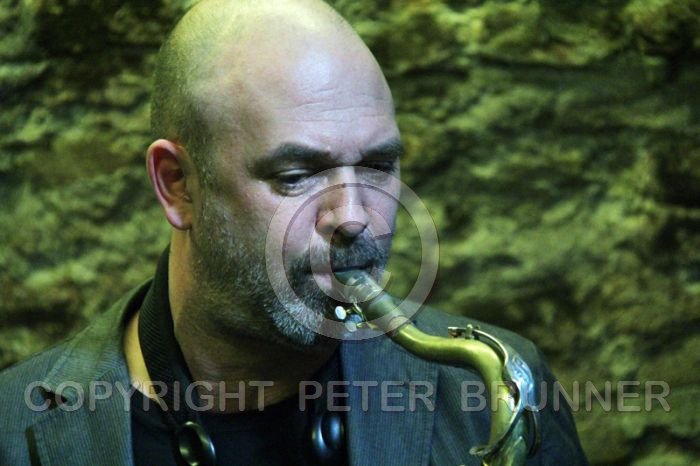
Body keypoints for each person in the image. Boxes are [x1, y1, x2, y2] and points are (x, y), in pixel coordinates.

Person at [0, 0, 588, 465]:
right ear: (178, 185)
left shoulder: (497, 392)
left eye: (378, 166)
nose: (354, 216)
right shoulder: (11, 431)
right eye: (297, 175)